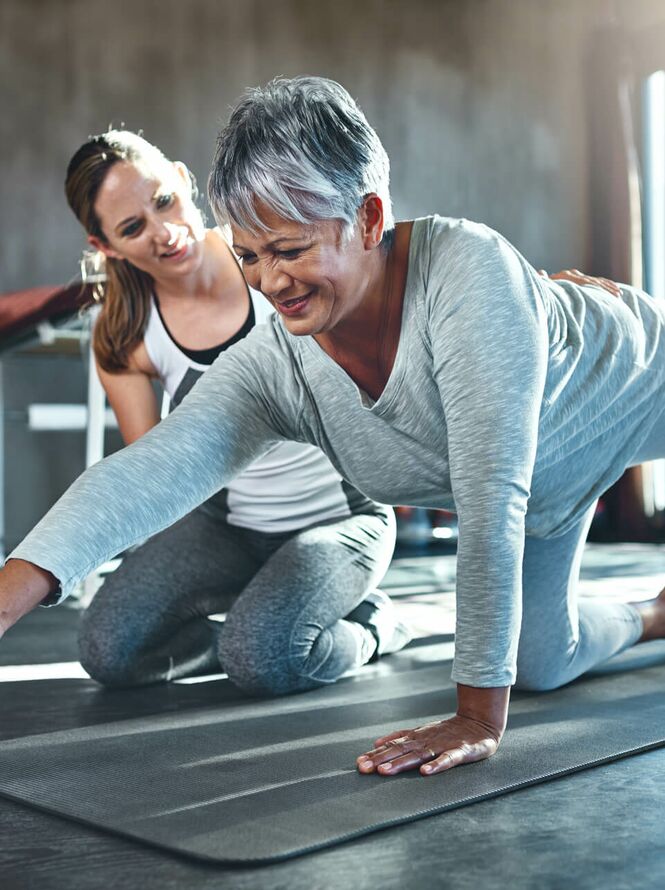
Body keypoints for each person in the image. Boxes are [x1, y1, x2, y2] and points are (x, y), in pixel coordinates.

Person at [2, 76, 664, 780]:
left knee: (495, 675)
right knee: (536, 662)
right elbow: (149, 469)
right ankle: (656, 617)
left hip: (632, 383)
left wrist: (475, 715)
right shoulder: (276, 360)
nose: (270, 281)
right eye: (251, 256)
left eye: (289, 249)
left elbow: (490, 496)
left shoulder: (467, 274)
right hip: (551, 480)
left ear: (370, 217)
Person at [45, 129, 408, 695]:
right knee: (109, 651)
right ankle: (262, 629)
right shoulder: (127, 337)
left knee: (261, 660)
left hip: (340, 519)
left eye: (163, 200)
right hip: (228, 528)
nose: (164, 233)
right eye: (133, 228)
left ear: (185, 181)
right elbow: (155, 478)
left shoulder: (271, 260)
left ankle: (373, 625)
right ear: (107, 246)